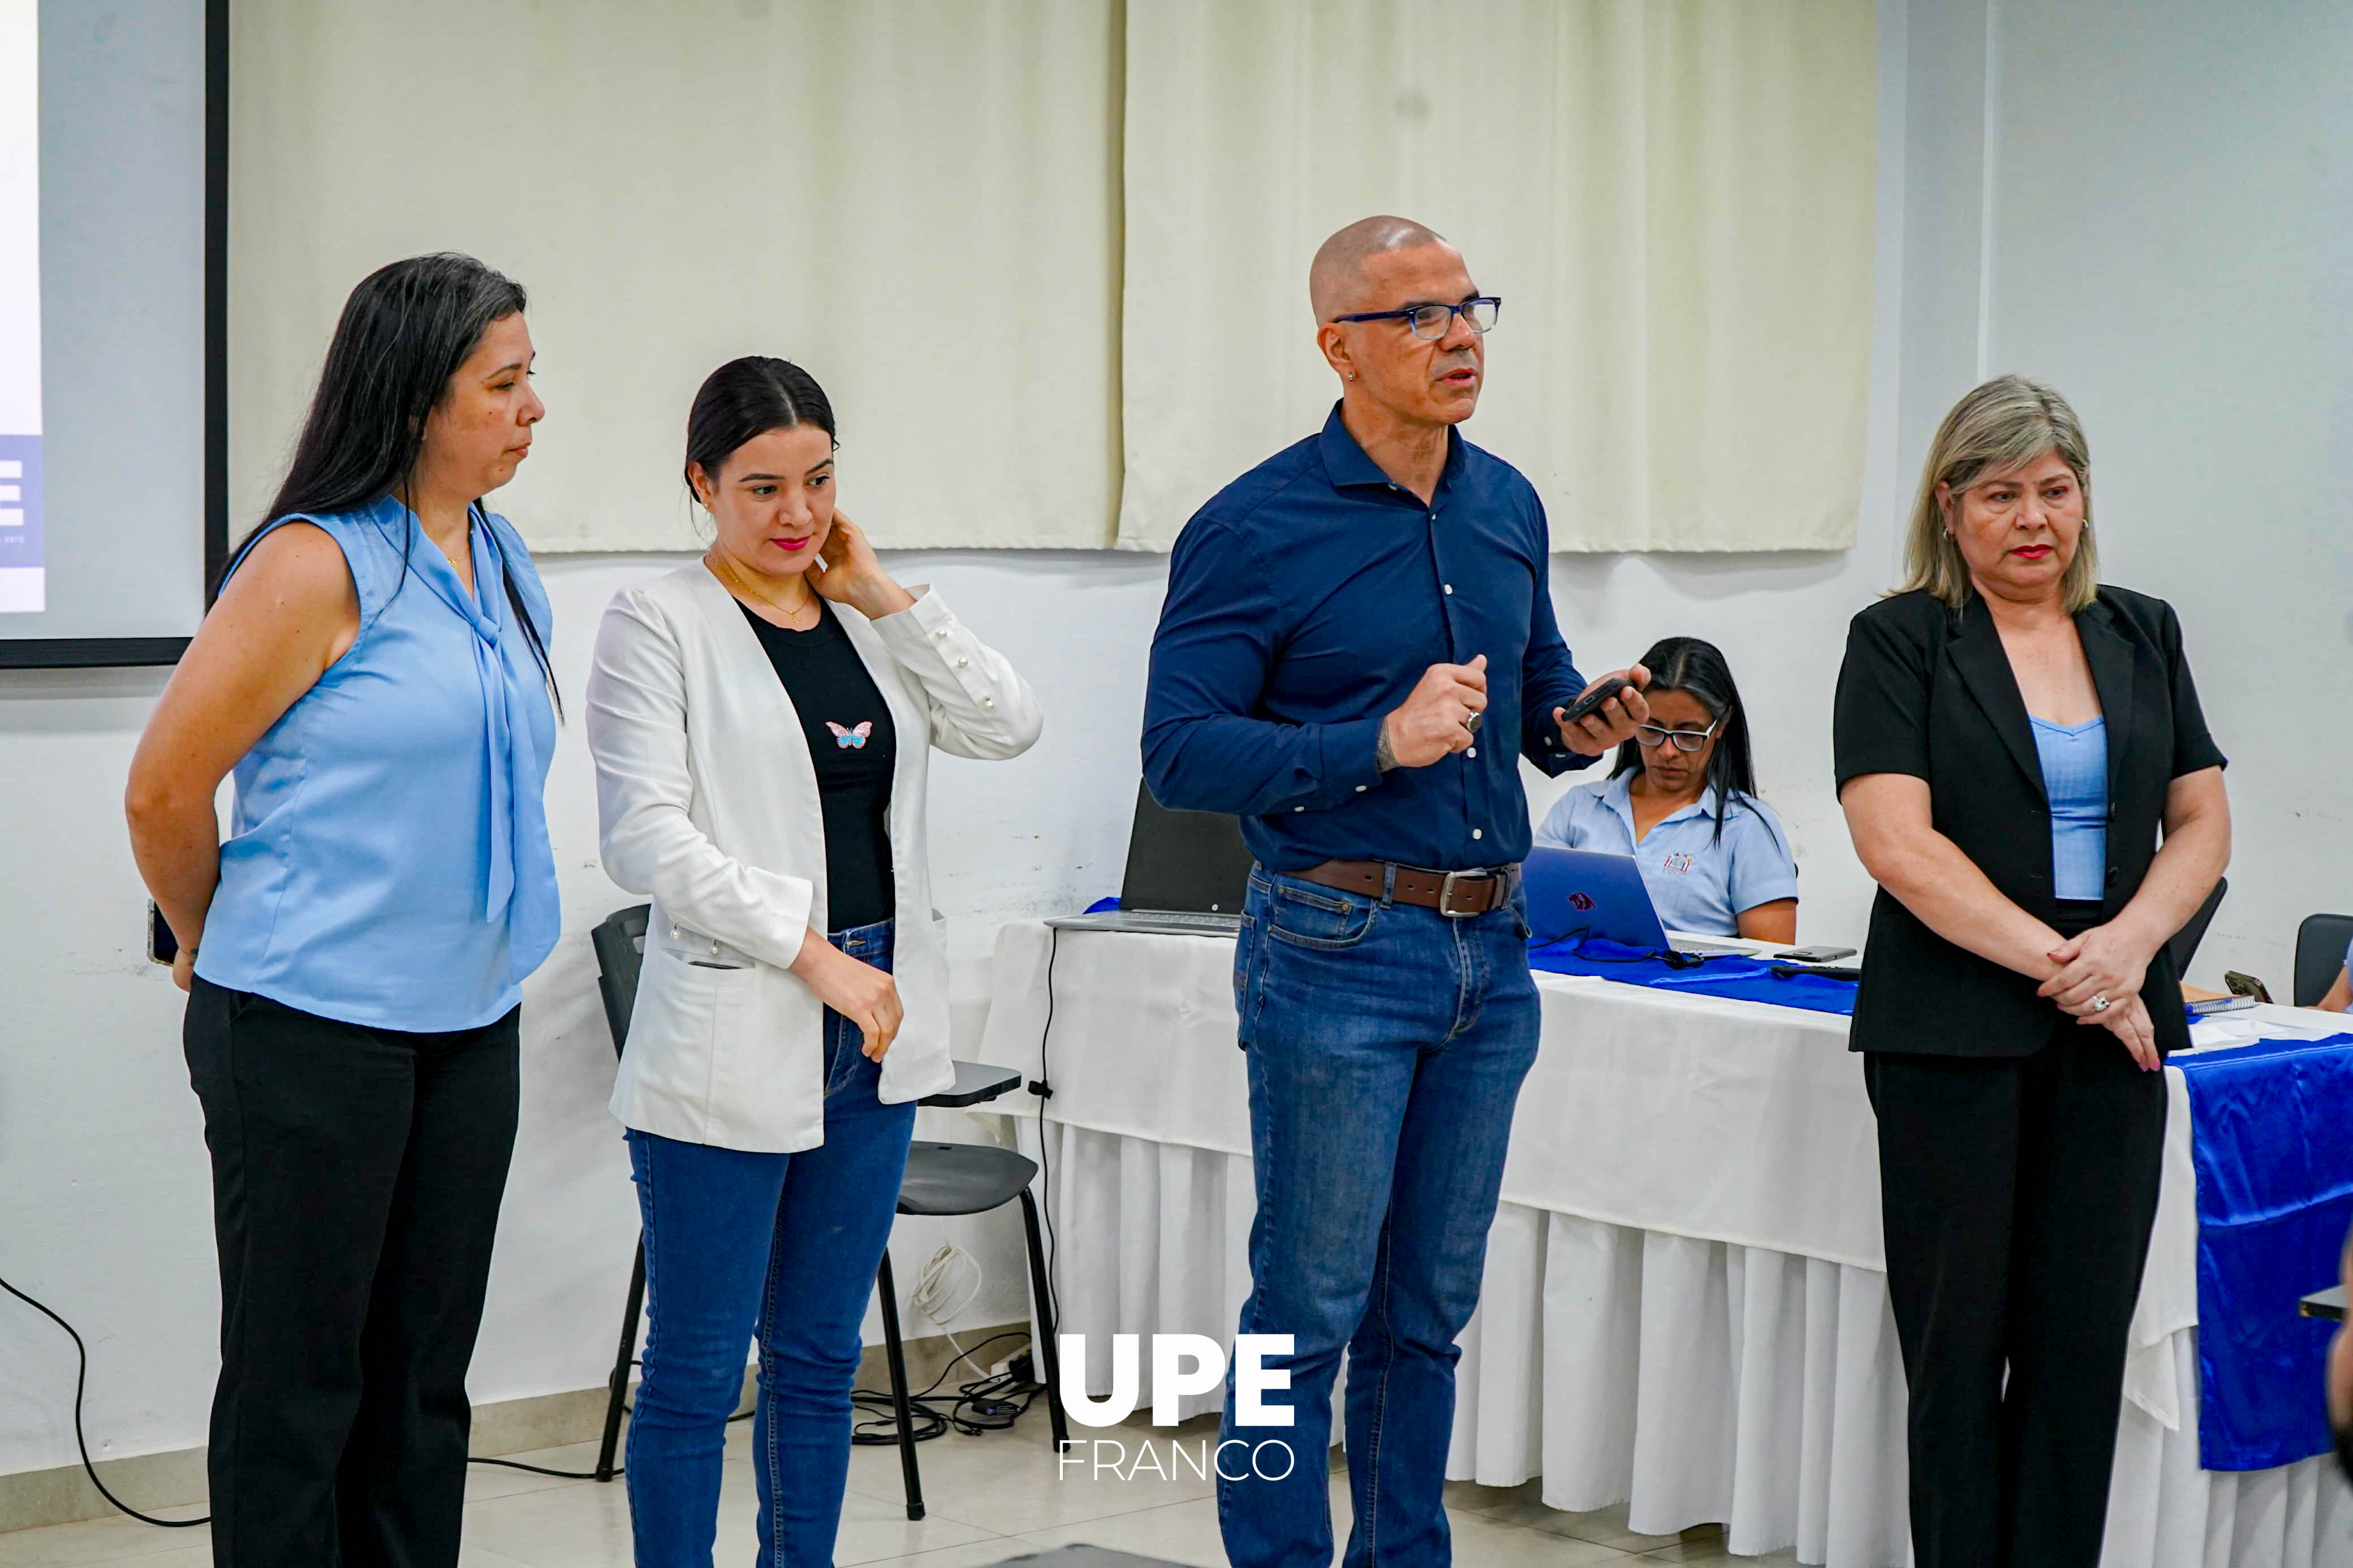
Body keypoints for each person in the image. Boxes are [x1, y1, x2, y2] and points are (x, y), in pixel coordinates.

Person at [1141, 215, 1650, 1568]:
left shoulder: (1505, 504)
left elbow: (1533, 688)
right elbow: (1180, 752)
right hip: (1335, 942)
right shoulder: (1251, 528)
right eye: (1417, 315)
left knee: (1426, 1309)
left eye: (1468, 306)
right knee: (1302, 1309)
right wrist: (1372, 738)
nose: (1459, 335)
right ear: (1336, 347)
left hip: (1494, 951)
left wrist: (1576, 722)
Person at [123, 253, 559, 1568]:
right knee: (299, 1392)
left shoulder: (494, 549)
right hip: (308, 1028)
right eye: (504, 381)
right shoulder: (313, 565)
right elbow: (163, 795)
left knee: (424, 1391)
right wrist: (210, 940)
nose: (534, 405)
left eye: (532, 375)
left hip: (468, 1020)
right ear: (418, 398)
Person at [584, 357, 1041, 1568]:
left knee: (821, 1357)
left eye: (819, 482)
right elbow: (644, 836)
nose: (796, 515)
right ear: (700, 485)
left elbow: (1005, 721)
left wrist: (884, 591)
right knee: (694, 1366)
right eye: (762, 487)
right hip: (747, 1016)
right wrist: (811, 957)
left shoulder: (859, 616)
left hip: (879, 1022)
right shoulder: (656, 620)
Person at [1834, 375, 2230, 1567]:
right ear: (1949, 507)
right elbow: (1895, 842)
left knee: (2078, 1348)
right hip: (1952, 1027)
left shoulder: (2140, 629)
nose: (2031, 519)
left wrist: (2126, 953)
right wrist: (2072, 964)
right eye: (2000, 493)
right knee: (1959, 1352)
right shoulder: (1900, 637)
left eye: (2054, 490)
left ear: (2083, 498)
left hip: (2116, 1035)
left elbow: (2202, 822)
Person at [1533, 634, 1797, 943]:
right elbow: (1534, 914)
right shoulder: (1579, 808)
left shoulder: (1748, 828)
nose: (1668, 751)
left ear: (1721, 725)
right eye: (1652, 730)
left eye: (1689, 734)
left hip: (1687, 990)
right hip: (1575, 986)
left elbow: (1769, 961)